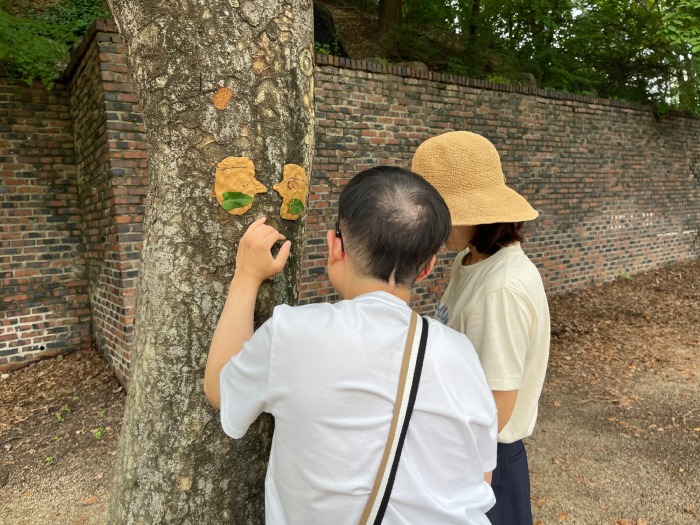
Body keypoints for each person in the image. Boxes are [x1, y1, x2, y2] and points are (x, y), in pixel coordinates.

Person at [204, 166, 498, 524]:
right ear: (427, 268)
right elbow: (480, 476)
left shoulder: (293, 333)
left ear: (334, 246)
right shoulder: (461, 354)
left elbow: (221, 388)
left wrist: (246, 277)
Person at [411, 131, 551, 525]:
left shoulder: (501, 290)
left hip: (485, 460)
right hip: (466, 450)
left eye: (440, 215)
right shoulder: (470, 261)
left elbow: (497, 411)